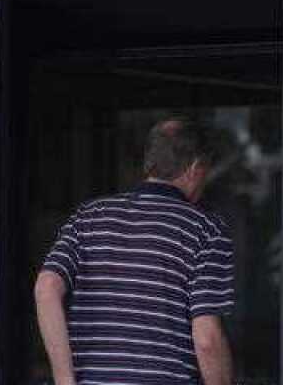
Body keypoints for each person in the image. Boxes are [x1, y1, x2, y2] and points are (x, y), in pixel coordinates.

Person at [34, 117, 235, 385]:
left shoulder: (89, 217)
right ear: (195, 168)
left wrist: (64, 379)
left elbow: (46, 288)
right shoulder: (206, 230)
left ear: (149, 164)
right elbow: (207, 339)